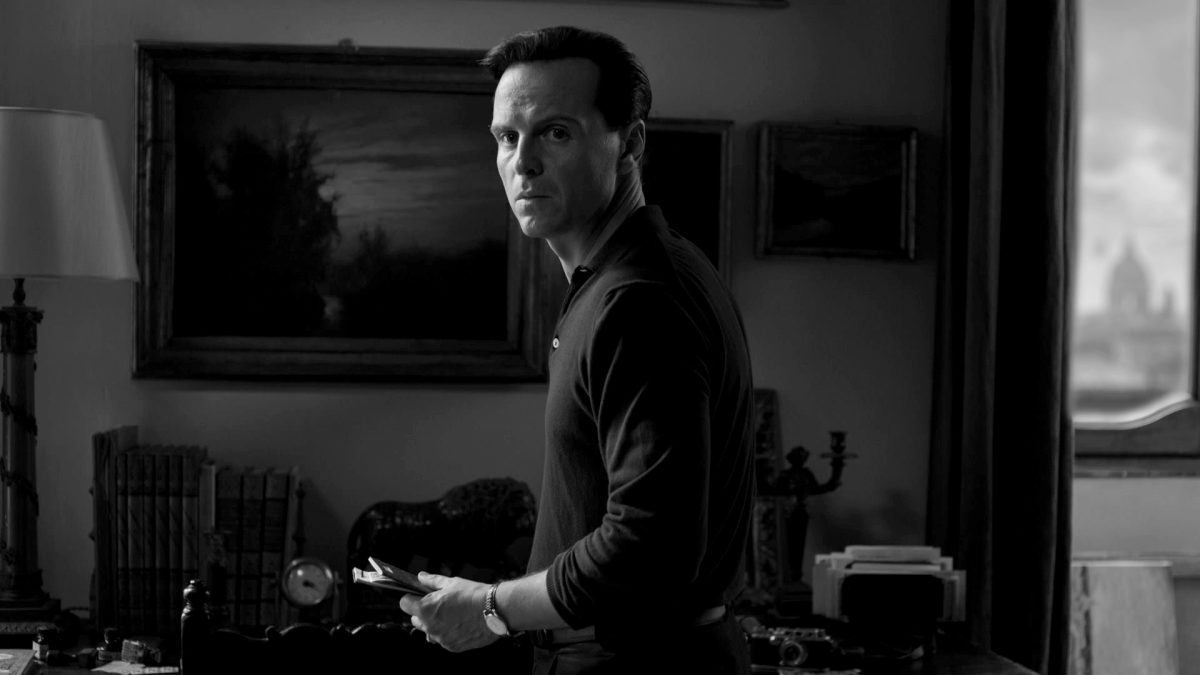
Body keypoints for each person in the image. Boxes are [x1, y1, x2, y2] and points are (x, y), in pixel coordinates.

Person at [399, 26, 756, 674]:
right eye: (507, 137)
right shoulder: (625, 277)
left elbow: (652, 544)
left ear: (631, 143)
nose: (523, 162)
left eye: (555, 133)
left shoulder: (638, 300)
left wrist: (494, 608)